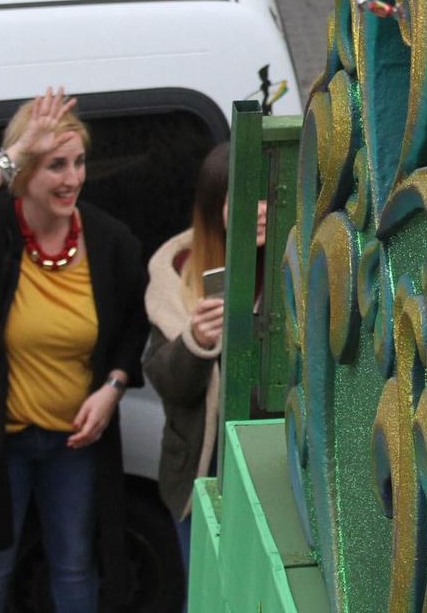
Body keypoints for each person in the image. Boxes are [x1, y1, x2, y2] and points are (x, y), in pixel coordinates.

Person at [0, 89, 150, 612]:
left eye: (79, 162)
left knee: (75, 564)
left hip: (75, 446)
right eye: (55, 165)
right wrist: (16, 150)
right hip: (0, 443)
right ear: (24, 174)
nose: (72, 178)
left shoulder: (111, 243)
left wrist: (114, 386)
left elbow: (133, 326)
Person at [144, 143, 268, 584]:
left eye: (267, 194)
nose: (259, 209)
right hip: (201, 475)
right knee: (205, 593)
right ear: (216, 205)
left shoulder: (296, 266)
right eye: (245, 196)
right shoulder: (180, 275)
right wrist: (195, 341)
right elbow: (166, 382)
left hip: (272, 475)